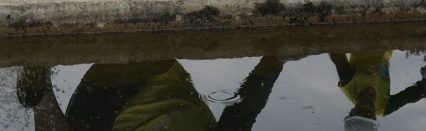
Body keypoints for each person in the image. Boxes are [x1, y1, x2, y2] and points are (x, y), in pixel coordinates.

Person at [16, 56, 285, 129]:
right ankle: (38, 91)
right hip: (156, 70)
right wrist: (274, 62)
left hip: (107, 109)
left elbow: (245, 111)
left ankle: (37, 90)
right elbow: (244, 110)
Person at [330, 51, 426, 130]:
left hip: (365, 34)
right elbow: (415, 95)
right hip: (388, 42)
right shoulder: (383, 107)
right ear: (375, 116)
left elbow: (335, 52)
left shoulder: (349, 82)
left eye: (362, 110)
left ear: (352, 112)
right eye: (370, 113)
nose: (368, 107)